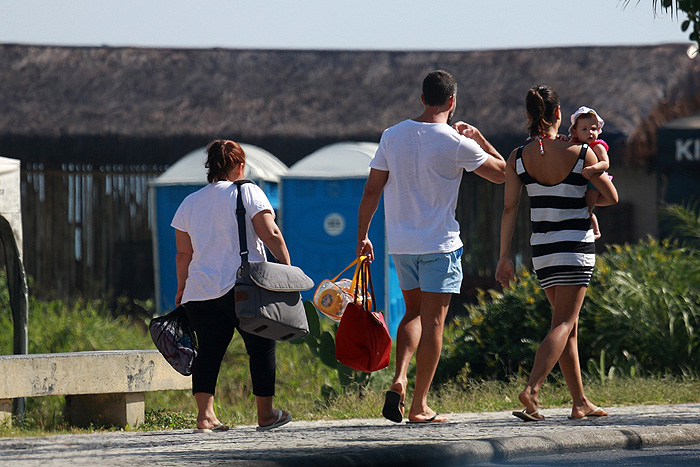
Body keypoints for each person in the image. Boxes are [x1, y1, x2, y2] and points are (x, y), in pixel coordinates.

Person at [356, 70, 506, 424]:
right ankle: (419, 404)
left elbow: (372, 190)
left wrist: (363, 235)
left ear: (422, 98)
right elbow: (503, 174)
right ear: (452, 102)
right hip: (440, 245)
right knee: (435, 323)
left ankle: (399, 377)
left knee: (412, 314)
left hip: (402, 244)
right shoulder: (456, 143)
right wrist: (480, 139)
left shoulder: (392, 136)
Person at [495, 85, 618, 421]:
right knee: (564, 322)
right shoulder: (581, 152)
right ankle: (532, 390)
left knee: (566, 327)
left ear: (529, 116)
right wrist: (591, 191)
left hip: (543, 250)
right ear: (559, 115)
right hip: (575, 246)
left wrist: (504, 255)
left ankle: (580, 402)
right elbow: (611, 196)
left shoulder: (518, 157)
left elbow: (509, 209)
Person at [172, 139, 292, 433]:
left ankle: (205, 416)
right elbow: (271, 233)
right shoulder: (247, 191)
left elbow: (183, 254)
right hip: (242, 287)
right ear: (240, 166)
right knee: (261, 346)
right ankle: (266, 414)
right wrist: (288, 269)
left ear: (210, 168)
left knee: (209, 351)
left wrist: (181, 288)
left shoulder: (190, 202)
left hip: (200, 291)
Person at [568, 106, 611, 239]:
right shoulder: (575, 144)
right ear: (575, 132)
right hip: (583, 181)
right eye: (584, 129)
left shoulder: (597, 145)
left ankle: (596, 231)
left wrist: (593, 169)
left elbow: (605, 163)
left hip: (594, 182)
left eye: (593, 129)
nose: (589, 133)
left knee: (587, 208)